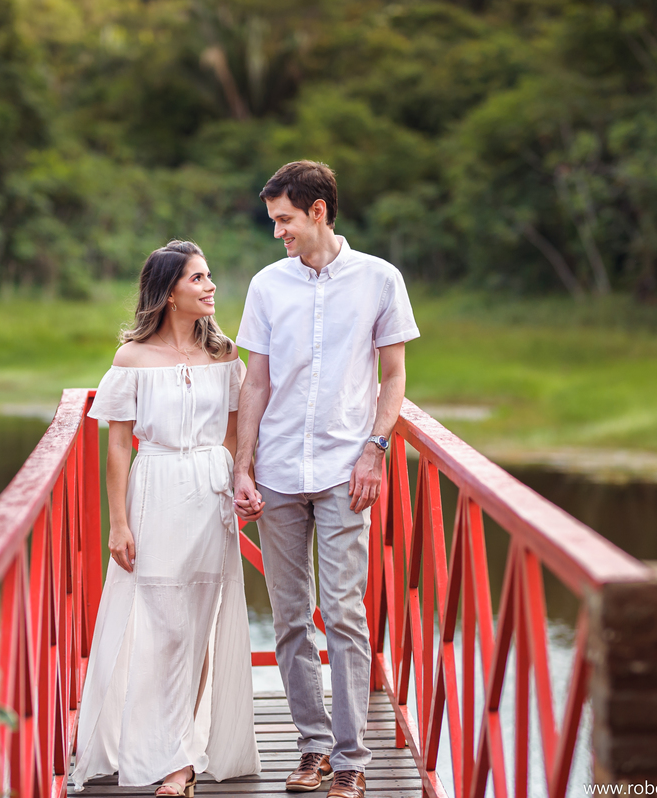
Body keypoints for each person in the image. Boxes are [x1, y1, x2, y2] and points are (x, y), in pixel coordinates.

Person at [233, 161, 419, 798]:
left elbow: (392, 377)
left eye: (283, 219)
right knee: (289, 619)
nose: (277, 233)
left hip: (347, 470)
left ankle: (352, 758)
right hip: (279, 470)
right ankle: (311, 749)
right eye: (273, 221)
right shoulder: (266, 285)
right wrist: (243, 465)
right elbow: (254, 382)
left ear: (318, 211)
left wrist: (376, 449)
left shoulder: (379, 280)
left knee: (343, 613)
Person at [72, 241, 261, 796]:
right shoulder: (131, 359)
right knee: (161, 626)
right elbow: (117, 446)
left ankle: (179, 762)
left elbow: (234, 429)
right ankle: (157, 744)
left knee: (197, 625)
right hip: (153, 492)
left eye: (209, 276)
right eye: (197, 279)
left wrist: (234, 478)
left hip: (209, 492)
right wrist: (118, 523)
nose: (210, 287)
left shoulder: (225, 356)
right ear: (169, 291)